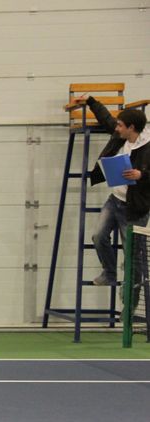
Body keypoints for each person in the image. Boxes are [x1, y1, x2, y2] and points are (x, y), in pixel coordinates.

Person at [81, 98, 150, 286]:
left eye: (120, 125)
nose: (116, 128)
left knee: (132, 253)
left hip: (135, 207)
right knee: (98, 236)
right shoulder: (121, 136)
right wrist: (91, 102)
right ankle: (109, 274)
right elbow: (107, 119)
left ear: (132, 127)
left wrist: (141, 175)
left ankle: (131, 298)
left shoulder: (148, 147)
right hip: (115, 200)